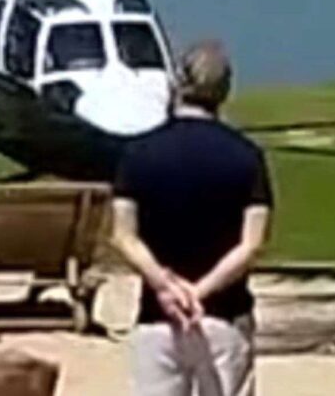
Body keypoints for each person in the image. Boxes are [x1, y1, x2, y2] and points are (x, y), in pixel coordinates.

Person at [111, 41, 274, 396]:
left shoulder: (137, 154)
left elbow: (124, 236)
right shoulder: (247, 157)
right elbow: (251, 244)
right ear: (224, 91)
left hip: (158, 316)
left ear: (177, 83)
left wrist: (165, 287)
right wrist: (200, 292)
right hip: (224, 315)